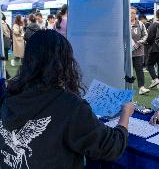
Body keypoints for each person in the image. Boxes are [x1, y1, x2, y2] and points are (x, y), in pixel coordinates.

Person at [0, 30, 134, 168]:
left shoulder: (10, 94)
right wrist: (126, 113)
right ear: (64, 63)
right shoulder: (69, 105)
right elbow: (110, 146)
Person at [131, 7, 150, 95]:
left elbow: (145, 35)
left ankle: (141, 87)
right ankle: (126, 87)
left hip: (138, 52)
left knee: (139, 70)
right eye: (130, 13)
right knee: (127, 70)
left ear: (136, 14)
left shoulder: (140, 24)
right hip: (127, 53)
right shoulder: (124, 23)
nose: (132, 15)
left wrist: (139, 43)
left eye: (134, 13)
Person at [147, 9, 159, 89]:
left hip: (154, 48)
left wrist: (149, 44)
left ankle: (155, 79)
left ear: (156, 15)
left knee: (149, 64)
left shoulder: (154, 24)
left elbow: (150, 37)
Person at [2, 13, 12, 78]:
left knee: (4, 58)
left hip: (4, 42)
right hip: (6, 42)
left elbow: (7, 33)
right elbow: (9, 32)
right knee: (5, 58)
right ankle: (6, 74)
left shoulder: (4, 24)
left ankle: (6, 74)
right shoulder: (6, 24)